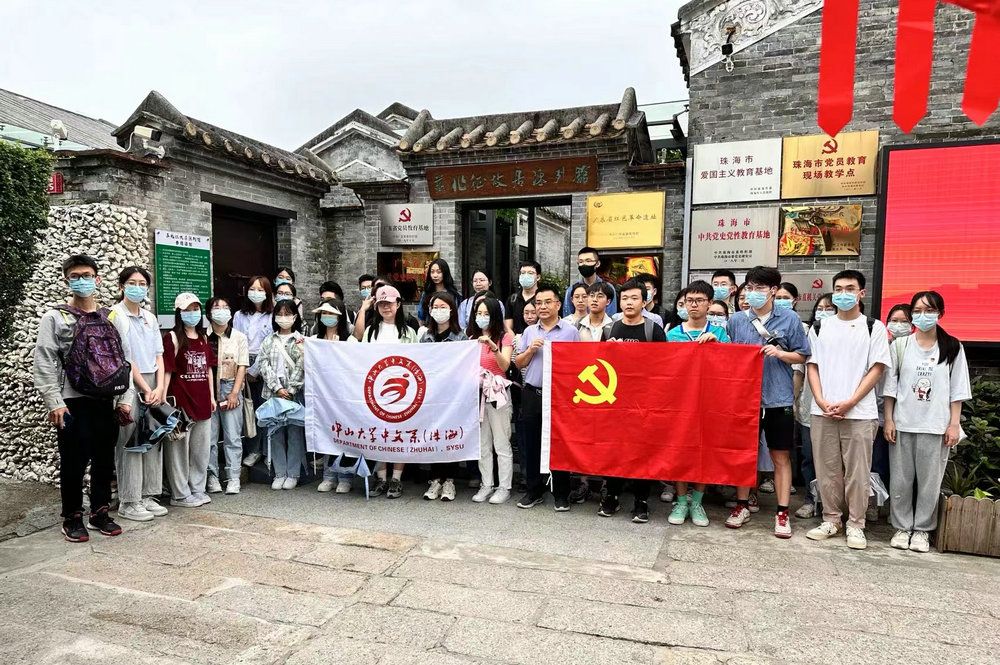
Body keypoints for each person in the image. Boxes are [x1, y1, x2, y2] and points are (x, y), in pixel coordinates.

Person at [34, 255, 133, 541]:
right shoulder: (55, 317)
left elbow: (125, 360)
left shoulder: (112, 317)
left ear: (97, 279)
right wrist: (54, 402)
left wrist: (125, 398)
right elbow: (44, 360)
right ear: (66, 280)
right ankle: (72, 516)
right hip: (71, 402)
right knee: (73, 462)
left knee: (104, 460)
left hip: (106, 400)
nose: (82, 281)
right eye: (75, 276)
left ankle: (100, 512)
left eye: (87, 275)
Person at [805, 270, 891, 550]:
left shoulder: (873, 327)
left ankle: (856, 523)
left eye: (850, 289)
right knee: (827, 469)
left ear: (861, 293)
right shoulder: (820, 327)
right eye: (839, 289)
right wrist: (820, 400)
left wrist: (851, 401)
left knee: (858, 472)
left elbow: (877, 368)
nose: (844, 294)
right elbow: (812, 366)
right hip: (823, 411)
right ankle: (831, 519)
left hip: (860, 413)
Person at [726, 266, 810, 538]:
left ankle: (782, 512)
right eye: (749, 288)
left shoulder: (790, 319)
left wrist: (780, 353)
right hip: (745, 399)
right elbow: (728, 355)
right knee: (744, 453)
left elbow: (803, 355)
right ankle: (741, 505)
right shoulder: (736, 320)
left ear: (773, 290)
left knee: (780, 455)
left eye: (760, 288)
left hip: (778, 397)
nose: (754, 293)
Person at [883, 291, 971, 553]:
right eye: (918, 311)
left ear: (940, 313)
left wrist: (953, 424)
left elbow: (957, 390)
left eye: (929, 310)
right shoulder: (900, 346)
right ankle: (901, 527)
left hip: (935, 425)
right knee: (901, 480)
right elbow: (890, 387)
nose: (923, 315)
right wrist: (888, 419)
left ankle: (922, 529)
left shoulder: (952, 347)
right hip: (903, 423)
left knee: (930, 483)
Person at [598, 278, 667, 523]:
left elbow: (664, 366)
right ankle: (612, 495)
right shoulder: (610, 330)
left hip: (644, 402)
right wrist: (610, 352)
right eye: (625, 298)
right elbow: (600, 366)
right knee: (614, 450)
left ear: (644, 302)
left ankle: (641, 500)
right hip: (615, 401)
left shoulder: (653, 330)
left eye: (634, 298)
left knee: (642, 452)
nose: (629, 302)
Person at [665, 281, 730, 528]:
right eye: (689, 301)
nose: (694, 305)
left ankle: (697, 502)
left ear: (709, 303)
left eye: (699, 300)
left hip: (709, 403)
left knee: (704, 452)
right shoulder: (672, 334)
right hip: (680, 403)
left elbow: (731, 368)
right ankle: (681, 501)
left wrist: (719, 348)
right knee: (680, 452)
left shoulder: (720, 334)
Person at [514, 282, 579, 510]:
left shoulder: (571, 332)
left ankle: (561, 493)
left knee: (559, 444)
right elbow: (518, 363)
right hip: (533, 393)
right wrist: (531, 350)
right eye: (538, 303)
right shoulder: (530, 332)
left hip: (559, 396)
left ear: (558, 305)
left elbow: (577, 365)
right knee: (531, 442)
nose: (542, 307)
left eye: (547, 302)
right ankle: (534, 490)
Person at [111, 266, 168, 523]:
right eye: (132, 283)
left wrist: (160, 387)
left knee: (153, 437)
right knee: (131, 441)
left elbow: (159, 354)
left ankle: (148, 494)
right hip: (130, 383)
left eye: (142, 283)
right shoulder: (116, 315)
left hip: (153, 381)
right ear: (122, 286)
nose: (138, 287)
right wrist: (145, 388)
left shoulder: (150, 317)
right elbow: (125, 357)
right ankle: (129, 500)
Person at [362, 284, 418, 498]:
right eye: (381, 304)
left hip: (404, 390)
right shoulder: (370, 331)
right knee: (378, 433)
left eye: (390, 303)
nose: (386, 307)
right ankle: (381, 477)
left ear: (398, 304)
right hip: (376, 390)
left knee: (400, 434)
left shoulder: (409, 332)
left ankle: (396, 478)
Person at [163, 293, 217, 508]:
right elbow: (167, 370)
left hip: (203, 401)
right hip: (181, 403)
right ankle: (180, 494)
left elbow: (208, 369)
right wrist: (164, 398)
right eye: (187, 310)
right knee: (179, 451)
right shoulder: (172, 338)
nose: (192, 313)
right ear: (179, 313)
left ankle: (197, 488)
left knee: (201, 450)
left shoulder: (204, 337)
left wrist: (212, 396)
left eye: (195, 309)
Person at [417, 293, 468, 500]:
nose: (439, 311)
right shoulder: (425, 337)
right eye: (435, 307)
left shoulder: (461, 337)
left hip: (452, 396)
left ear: (451, 310)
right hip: (431, 395)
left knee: (449, 437)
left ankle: (449, 481)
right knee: (433, 436)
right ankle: (435, 479)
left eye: (443, 307)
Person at [466, 296, 515, 505]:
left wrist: (493, 347)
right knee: (482, 444)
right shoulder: (471, 338)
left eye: (486, 313)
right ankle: (486, 484)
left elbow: (505, 366)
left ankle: (504, 487)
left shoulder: (505, 337)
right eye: (478, 313)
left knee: (501, 443)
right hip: (477, 395)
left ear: (494, 315)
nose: (482, 317)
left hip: (498, 395)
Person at [793, 294, 836, 519]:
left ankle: (833, 505)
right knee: (810, 458)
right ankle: (811, 500)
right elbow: (799, 372)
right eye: (820, 308)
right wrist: (795, 400)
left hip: (841, 409)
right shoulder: (811, 334)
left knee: (835, 462)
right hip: (810, 408)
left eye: (829, 308)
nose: (824, 312)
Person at [257, 299, 306, 490]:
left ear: (295, 316)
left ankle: (293, 473)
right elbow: (263, 364)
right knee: (275, 432)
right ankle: (279, 472)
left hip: (295, 394)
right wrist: (276, 388)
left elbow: (303, 365)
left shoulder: (301, 340)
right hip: (273, 394)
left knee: (294, 433)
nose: (283, 318)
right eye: (280, 314)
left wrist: (291, 389)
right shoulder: (269, 340)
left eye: (288, 314)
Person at [312, 299, 358, 494]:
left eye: (331, 313)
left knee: (345, 435)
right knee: (326, 433)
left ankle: (345, 477)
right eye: (324, 313)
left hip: (344, 395)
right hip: (323, 396)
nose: (327, 317)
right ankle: (329, 475)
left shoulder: (350, 341)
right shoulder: (314, 340)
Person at [205, 296, 249, 495]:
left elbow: (242, 366)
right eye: (217, 307)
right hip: (207, 389)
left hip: (230, 386)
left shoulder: (239, 337)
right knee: (209, 437)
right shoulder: (203, 336)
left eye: (225, 307)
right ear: (209, 313)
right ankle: (212, 476)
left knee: (232, 436)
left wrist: (234, 393)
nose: (221, 310)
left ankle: (233, 477)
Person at [234, 276, 273, 468]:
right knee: (248, 409)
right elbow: (235, 342)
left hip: (264, 363)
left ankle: (267, 450)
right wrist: (243, 369)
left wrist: (255, 370)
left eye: (260, 289)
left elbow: (269, 345)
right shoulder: (239, 315)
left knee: (264, 407)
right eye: (252, 289)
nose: (255, 293)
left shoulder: (272, 315)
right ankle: (253, 449)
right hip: (242, 362)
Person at [563, 247, 617, 316]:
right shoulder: (571, 290)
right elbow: (567, 316)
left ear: (597, 264)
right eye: (581, 262)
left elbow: (611, 315)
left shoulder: (608, 287)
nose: (584, 264)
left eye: (588, 261)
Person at [417, 258, 462, 326]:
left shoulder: (454, 295)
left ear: (445, 273)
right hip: (430, 329)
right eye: (432, 272)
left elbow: (458, 317)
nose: (435, 275)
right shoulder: (426, 293)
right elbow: (421, 316)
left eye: (439, 272)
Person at [506, 260, 541, 334]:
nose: (526, 276)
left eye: (530, 273)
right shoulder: (512, 299)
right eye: (523, 273)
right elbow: (508, 327)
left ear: (538, 277)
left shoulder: (542, 298)